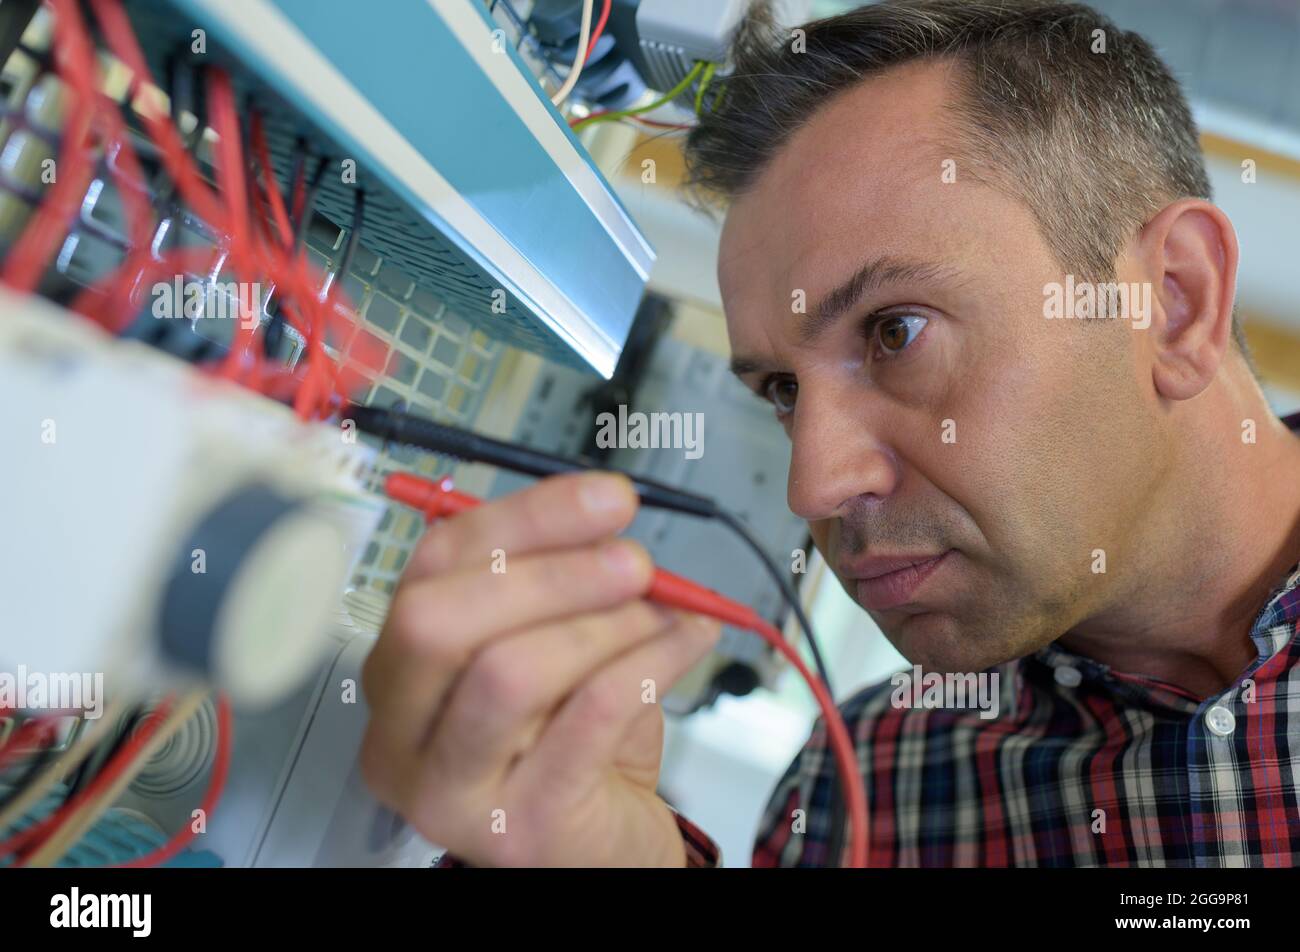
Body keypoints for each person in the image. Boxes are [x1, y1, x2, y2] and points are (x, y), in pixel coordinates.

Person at [359, 0, 1300, 866]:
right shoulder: (867, 793)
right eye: (781, 387)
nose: (811, 486)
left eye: (897, 331)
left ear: (1174, 301)